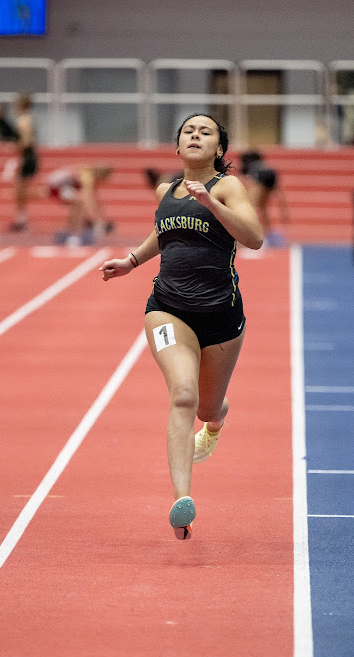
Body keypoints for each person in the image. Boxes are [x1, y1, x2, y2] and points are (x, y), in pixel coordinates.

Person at [100, 114, 263, 539]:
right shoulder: (165, 190)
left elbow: (255, 237)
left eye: (205, 131)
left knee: (207, 406)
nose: (195, 135)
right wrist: (131, 261)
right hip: (167, 309)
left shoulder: (227, 187)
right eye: (188, 131)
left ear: (219, 150)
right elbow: (163, 232)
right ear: (177, 148)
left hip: (222, 317)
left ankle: (215, 422)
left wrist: (211, 203)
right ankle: (181, 501)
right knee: (183, 394)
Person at [47, 164, 114, 245]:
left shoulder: (88, 173)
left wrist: (100, 218)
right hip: (56, 186)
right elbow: (88, 199)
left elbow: (95, 199)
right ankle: (74, 233)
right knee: (80, 202)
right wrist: (98, 221)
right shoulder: (87, 177)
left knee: (78, 203)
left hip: (60, 184)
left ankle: (71, 231)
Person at [240, 151, 289, 246]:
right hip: (271, 174)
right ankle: (268, 234)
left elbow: (245, 180)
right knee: (263, 208)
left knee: (252, 207)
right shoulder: (260, 165)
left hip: (262, 175)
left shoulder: (249, 167)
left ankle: (253, 235)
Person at [10, 93, 40, 231]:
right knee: (20, 190)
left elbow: (27, 141)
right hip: (29, 155)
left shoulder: (23, 120)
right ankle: (21, 219)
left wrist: (15, 146)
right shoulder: (29, 119)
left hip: (28, 155)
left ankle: (21, 220)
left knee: (20, 190)